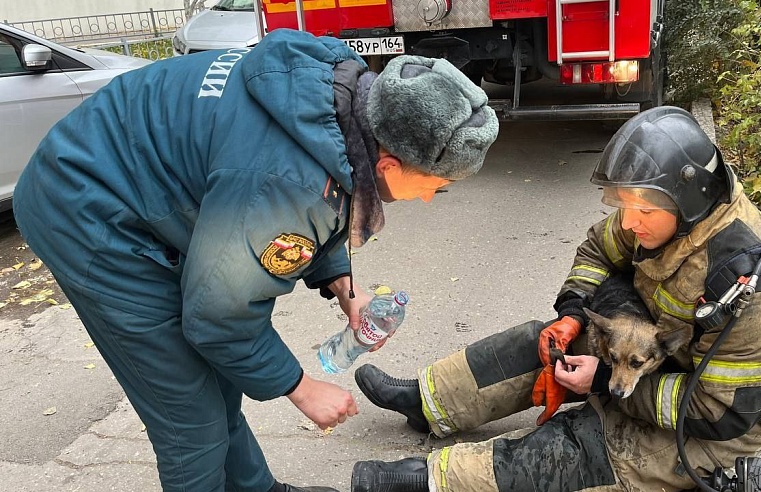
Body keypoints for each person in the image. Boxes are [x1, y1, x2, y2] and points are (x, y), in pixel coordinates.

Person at [13, 28, 499, 492]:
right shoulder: (288, 188)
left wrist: (345, 290)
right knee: (190, 418)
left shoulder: (346, 91)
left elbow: (332, 179)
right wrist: (303, 388)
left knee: (220, 380)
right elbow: (219, 315)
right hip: (85, 208)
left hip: (131, 167)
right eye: (438, 185)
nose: (433, 198)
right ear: (389, 164)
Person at [349, 106, 761, 492]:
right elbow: (597, 249)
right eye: (625, 208)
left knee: (593, 446)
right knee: (548, 343)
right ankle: (427, 402)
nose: (630, 222)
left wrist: (603, 385)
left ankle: (426, 480)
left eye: (640, 211)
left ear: (687, 198)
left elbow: (713, 411)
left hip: (731, 428)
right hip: (658, 360)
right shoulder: (661, 214)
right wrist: (575, 317)